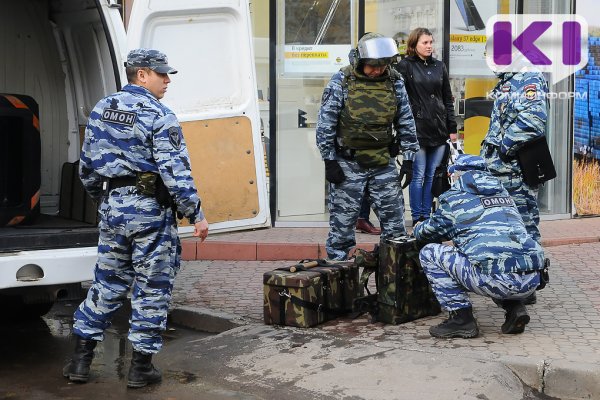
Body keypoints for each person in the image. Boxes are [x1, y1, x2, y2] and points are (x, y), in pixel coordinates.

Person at [62, 49, 209, 388]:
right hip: (150, 215)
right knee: (151, 287)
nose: (167, 80)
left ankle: (80, 362)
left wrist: (106, 199)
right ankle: (140, 368)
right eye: (162, 74)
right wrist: (196, 213)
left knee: (108, 282)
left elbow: (86, 165)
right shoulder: (160, 114)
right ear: (141, 74)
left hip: (113, 210)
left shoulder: (102, 108)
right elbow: (175, 173)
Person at [413, 155, 545, 338]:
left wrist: (418, 226)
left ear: (456, 175)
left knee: (429, 253)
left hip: (498, 280)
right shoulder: (505, 194)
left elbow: (426, 234)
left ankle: (461, 320)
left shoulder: (453, 199)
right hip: (532, 280)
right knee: (490, 254)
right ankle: (515, 307)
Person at [316, 32, 419, 260]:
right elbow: (326, 123)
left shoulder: (394, 81)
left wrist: (409, 158)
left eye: (383, 65)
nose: (378, 70)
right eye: (373, 65)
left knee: (395, 229)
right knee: (342, 230)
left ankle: (392, 285)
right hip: (348, 164)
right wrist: (329, 160)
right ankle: (340, 282)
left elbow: (405, 119)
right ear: (361, 61)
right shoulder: (341, 81)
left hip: (383, 163)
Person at [395, 27, 457, 226]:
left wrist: (452, 127)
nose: (429, 46)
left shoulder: (440, 66)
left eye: (431, 42)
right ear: (414, 45)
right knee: (418, 174)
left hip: (438, 129)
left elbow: (447, 98)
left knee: (432, 174)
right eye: (425, 43)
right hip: (417, 130)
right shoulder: (405, 66)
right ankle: (417, 217)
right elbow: (399, 99)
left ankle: (427, 216)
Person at [480, 70, 548, 244]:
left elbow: (533, 120)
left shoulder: (528, 77)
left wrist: (505, 147)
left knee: (523, 228)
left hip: (515, 173)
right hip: (503, 171)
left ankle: (533, 268)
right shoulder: (508, 80)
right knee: (507, 229)